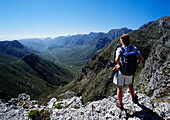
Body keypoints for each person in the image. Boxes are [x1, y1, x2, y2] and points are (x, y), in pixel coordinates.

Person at [113, 34, 144, 110]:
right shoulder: (133, 48)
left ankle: (120, 104)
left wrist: (119, 65)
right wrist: (136, 65)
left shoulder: (120, 49)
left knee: (120, 87)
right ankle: (133, 97)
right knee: (130, 85)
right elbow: (141, 58)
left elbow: (116, 59)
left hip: (122, 71)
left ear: (122, 41)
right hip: (130, 71)